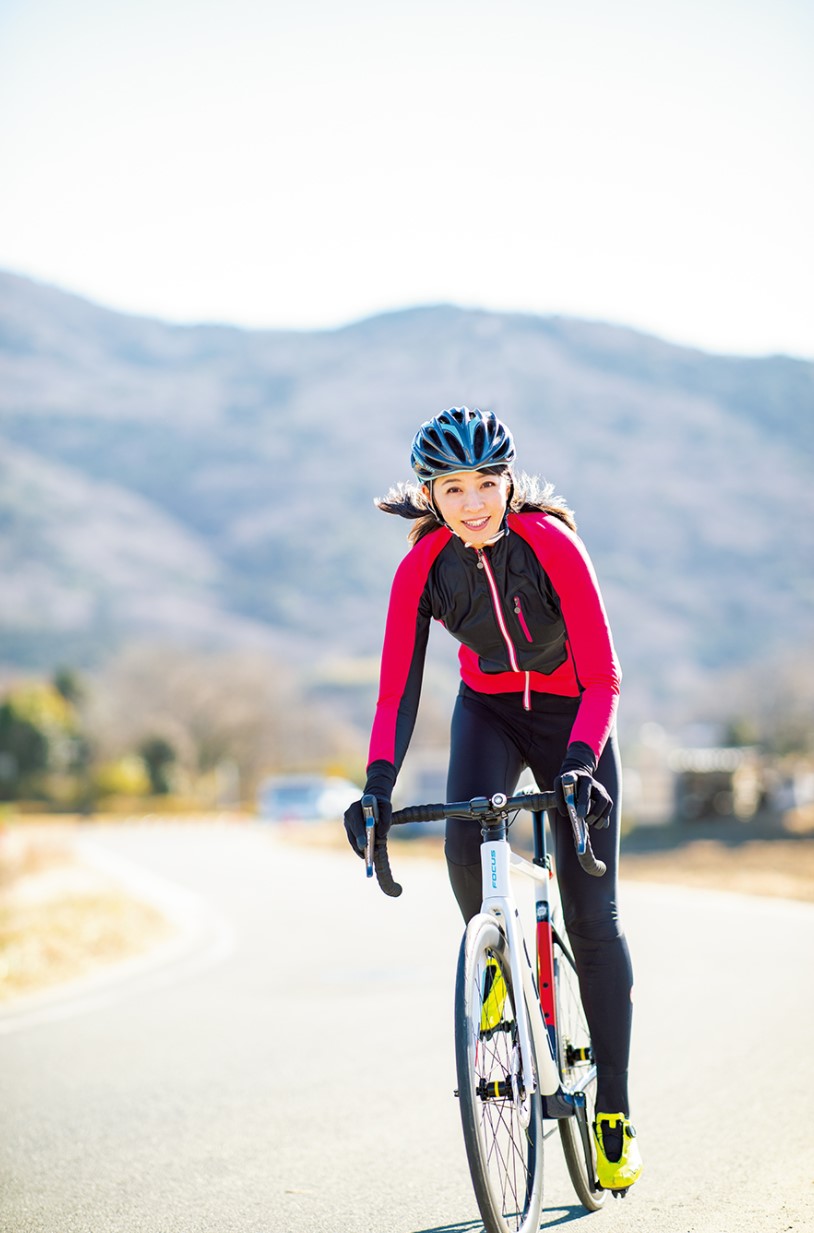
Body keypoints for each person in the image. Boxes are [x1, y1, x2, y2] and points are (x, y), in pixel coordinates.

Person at [344, 405, 642, 1192]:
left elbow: (604, 675)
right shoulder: (423, 567)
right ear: (430, 496)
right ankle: (497, 970)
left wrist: (580, 764)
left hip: (575, 717)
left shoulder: (550, 542)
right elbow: (395, 692)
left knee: (593, 914)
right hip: (490, 713)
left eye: (486, 483)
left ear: (509, 482)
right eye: (453, 488)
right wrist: (376, 786)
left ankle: (613, 1107)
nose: (473, 502)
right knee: (463, 841)